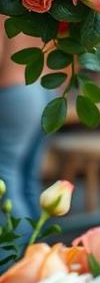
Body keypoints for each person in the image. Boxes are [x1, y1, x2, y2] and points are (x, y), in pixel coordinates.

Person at [0, 34, 49, 230]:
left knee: (6, 181)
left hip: (13, 90)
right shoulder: (43, 2)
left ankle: (11, 257)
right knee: (28, 181)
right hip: (44, 88)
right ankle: (36, 253)